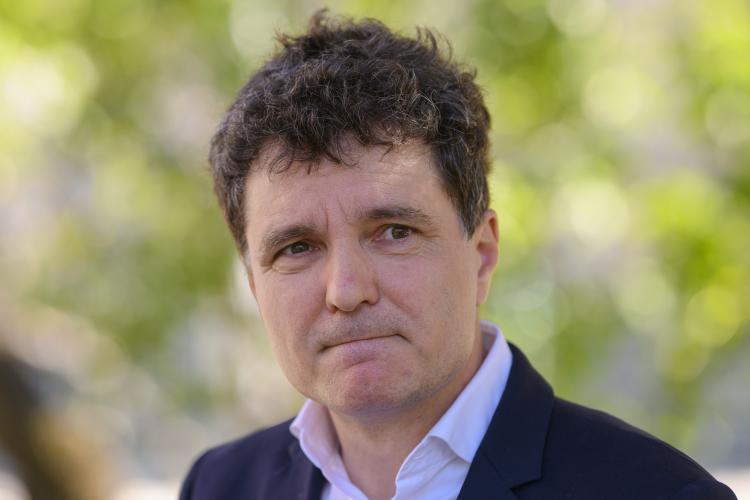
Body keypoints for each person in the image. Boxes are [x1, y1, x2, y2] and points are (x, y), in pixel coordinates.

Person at [179, 11, 736, 500]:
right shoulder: (220, 486)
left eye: (394, 232)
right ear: (256, 286)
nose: (346, 291)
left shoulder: (660, 493)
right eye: (297, 248)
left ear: (483, 255)